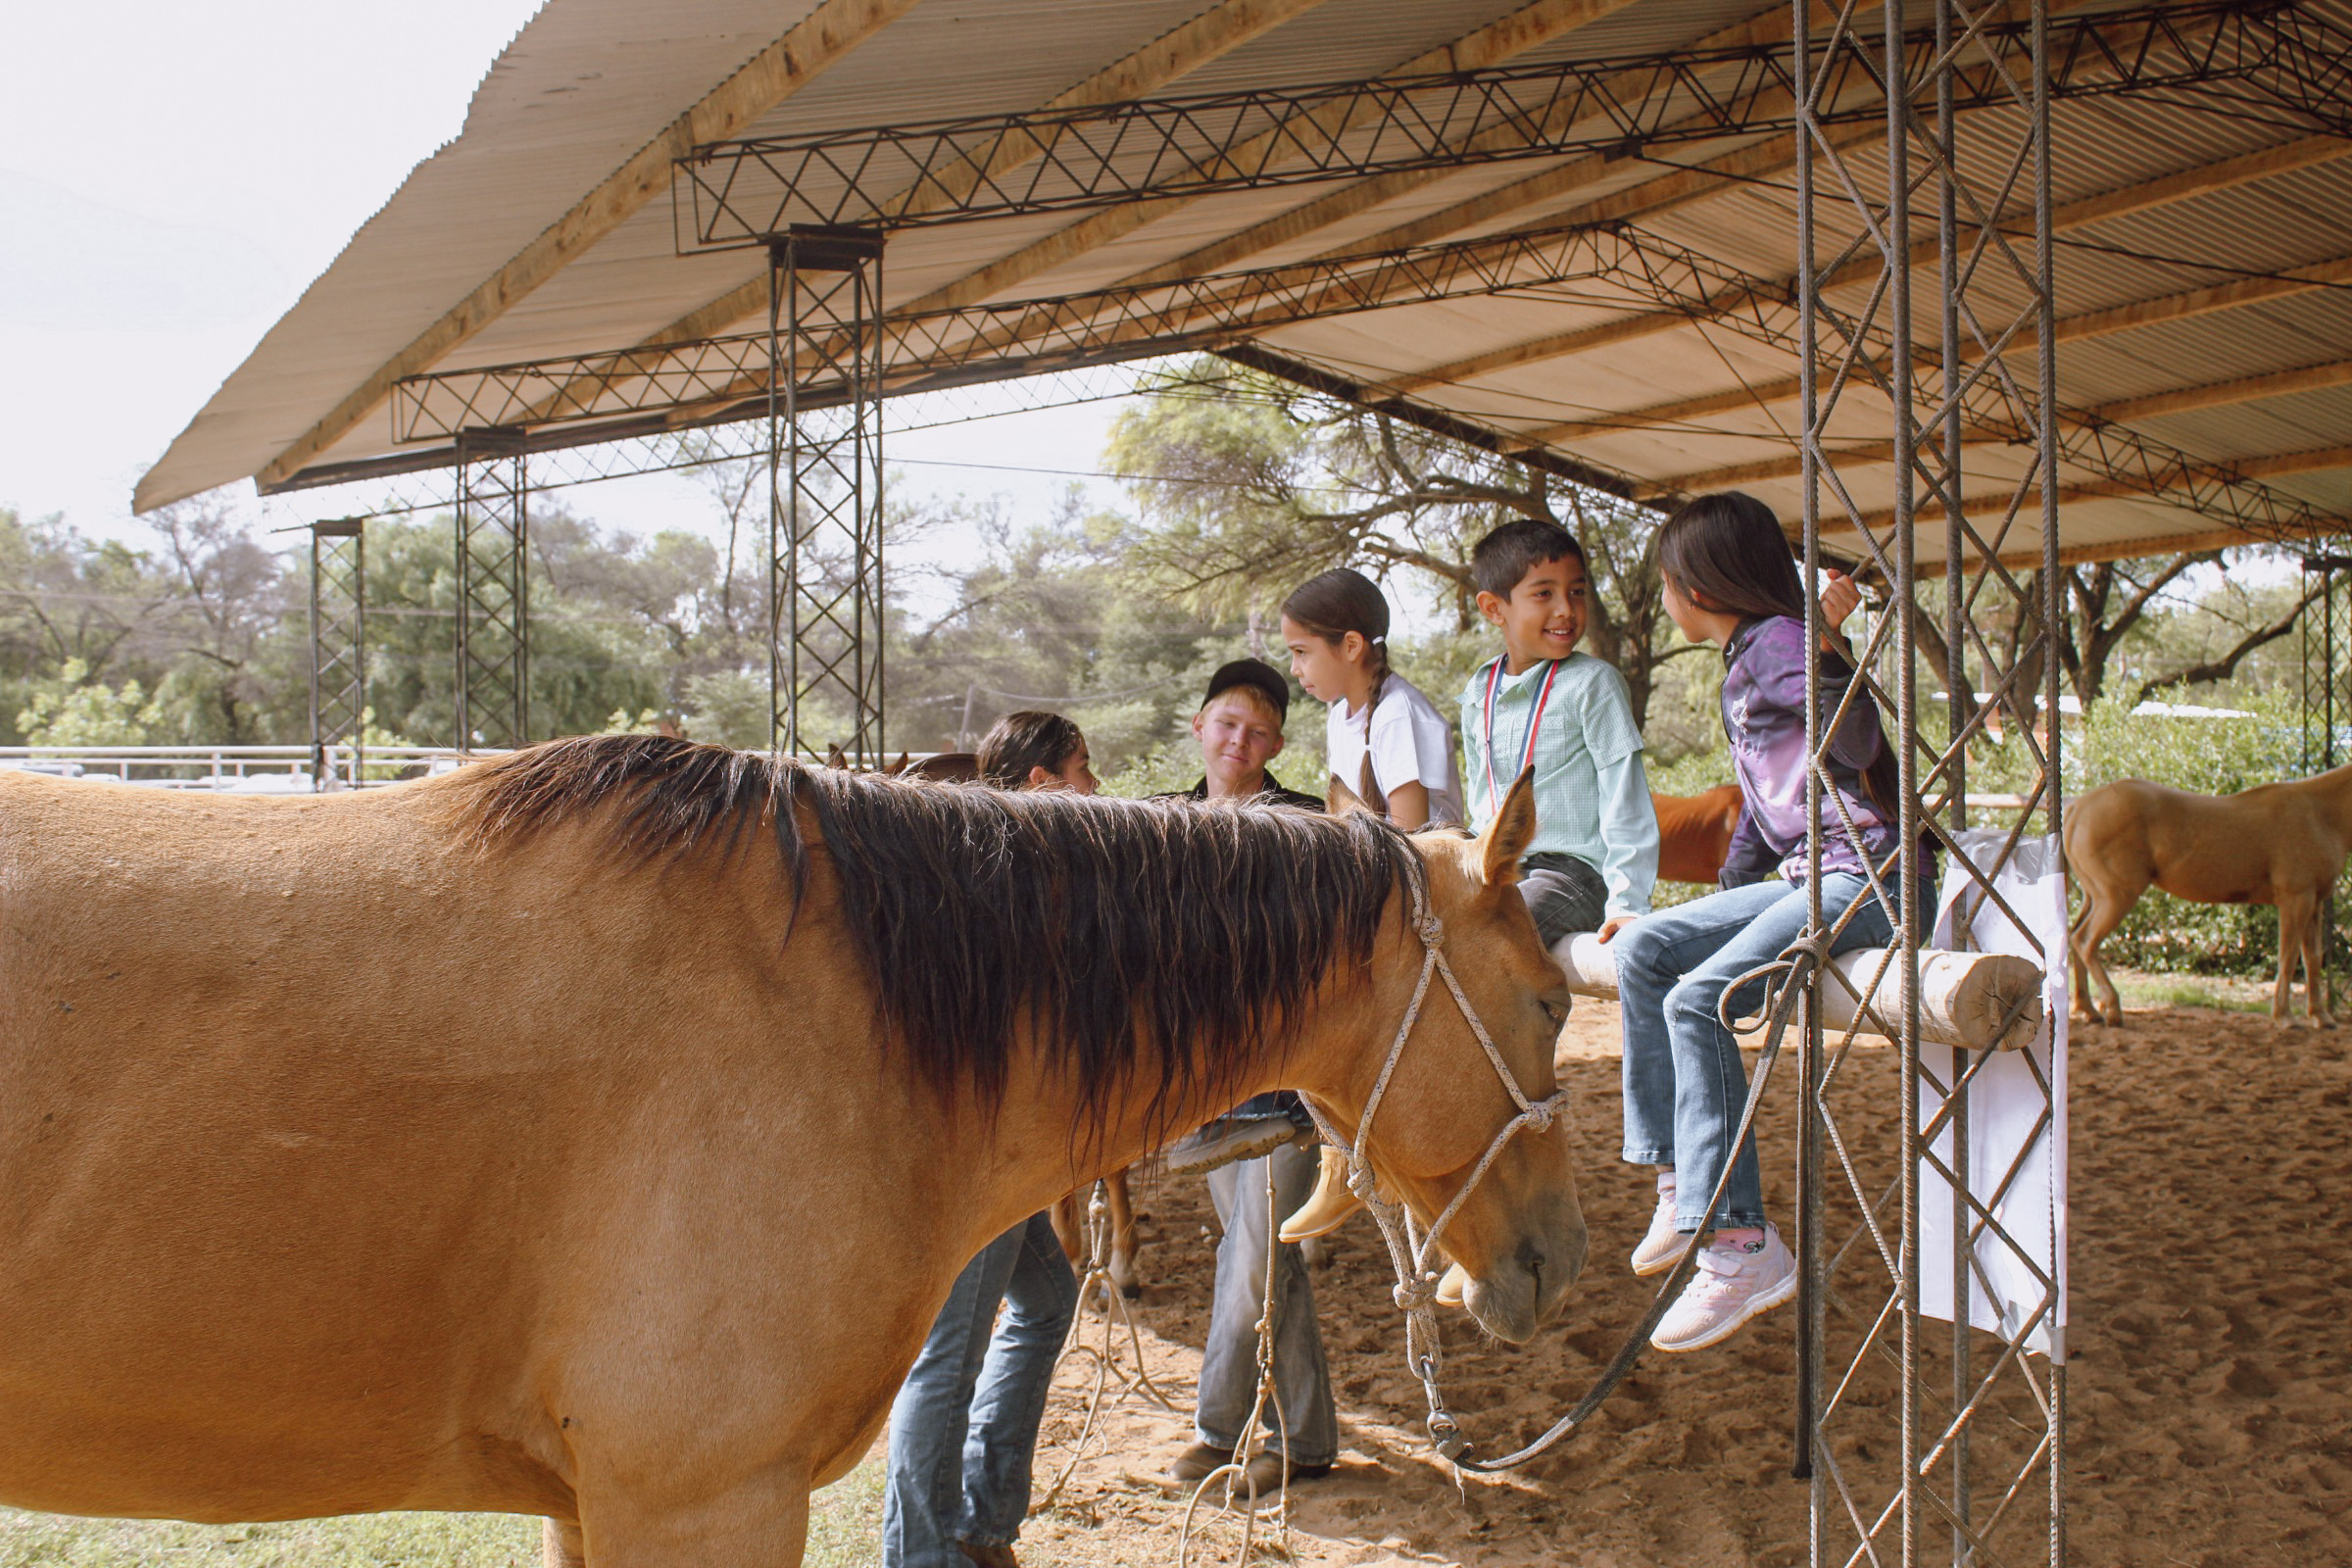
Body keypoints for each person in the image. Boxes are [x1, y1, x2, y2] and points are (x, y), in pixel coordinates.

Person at [1604, 491, 1917, 1353]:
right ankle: (1679, 1180)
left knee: (1699, 999)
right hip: (1806, 869)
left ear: (1698, 586)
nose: (1665, 594)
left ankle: (1743, 1244)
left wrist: (1825, 645)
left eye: (1667, 579)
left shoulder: (1781, 643)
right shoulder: (1751, 651)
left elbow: (1853, 744)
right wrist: (1714, 902)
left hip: (1869, 871)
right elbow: (1765, 808)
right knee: (1649, 951)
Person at [882, 711, 1090, 1568]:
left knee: (1045, 1303)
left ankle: (979, 1520)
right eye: (1083, 769)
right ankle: (926, 1554)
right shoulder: (1014, 879)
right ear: (1042, 783)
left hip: (1004, 1151)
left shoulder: (1003, 863)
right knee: (947, 1360)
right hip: (983, 1152)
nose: (1093, 786)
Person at [1152, 661, 1337, 1499]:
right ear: (1198, 725)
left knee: (1251, 1259)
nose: (1240, 742)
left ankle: (1216, 1434)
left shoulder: (1304, 825)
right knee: (1266, 1263)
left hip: (1289, 1086)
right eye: (1227, 724)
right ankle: (1310, 1439)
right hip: (1202, 1089)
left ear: (1280, 744)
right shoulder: (1160, 827)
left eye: (1259, 731)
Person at [1273, 567, 1464, 1246]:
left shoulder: (1398, 714)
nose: (1295, 668)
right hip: (1381, 886)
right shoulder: (1342, 716)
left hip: (1430, 887)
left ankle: (1352, 1160)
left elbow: (1411, 835)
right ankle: (1344, 1152)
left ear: (1350, 646)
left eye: (1302, 652)